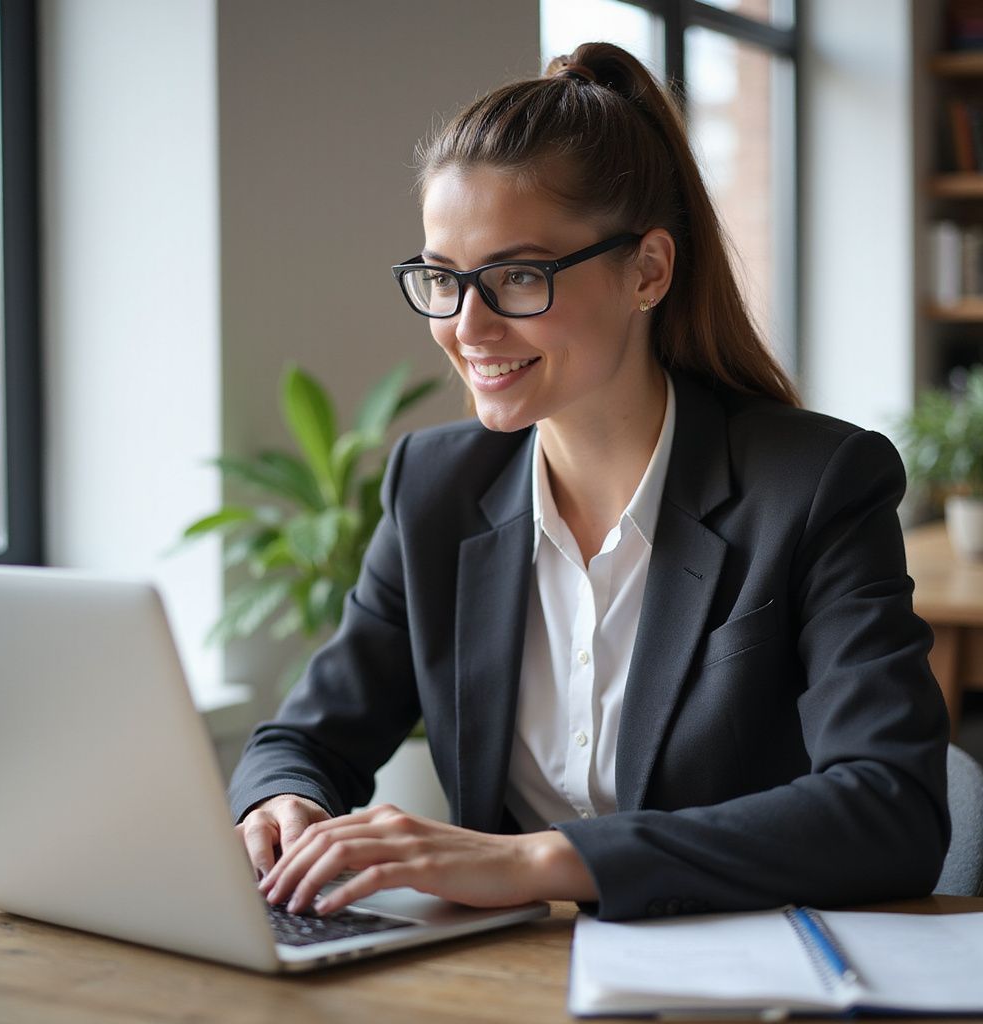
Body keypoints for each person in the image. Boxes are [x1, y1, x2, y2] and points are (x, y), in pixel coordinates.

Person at [229, 42, 950, 922]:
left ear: (647, 269)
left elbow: (892, 810)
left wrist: (540, 860)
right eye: (442, 280)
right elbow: (304, 736)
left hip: (735, 977)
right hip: (498, 982)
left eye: (517, 276)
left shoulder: (817, 486)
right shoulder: (435, 488)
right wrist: (281, 802)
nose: (468, 325)